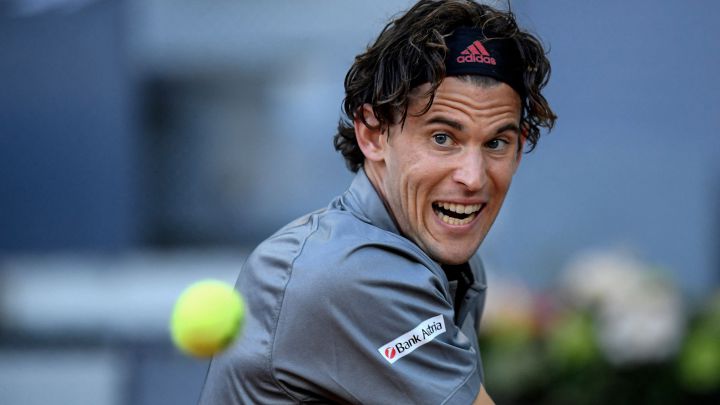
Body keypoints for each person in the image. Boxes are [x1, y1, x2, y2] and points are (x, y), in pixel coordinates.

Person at [199, 0, 555, 403]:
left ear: (520, 147)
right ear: (373, 134)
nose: (472, 178)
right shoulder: (355, 275)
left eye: (496, 143)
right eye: (443, 138)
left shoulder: (448, 261)